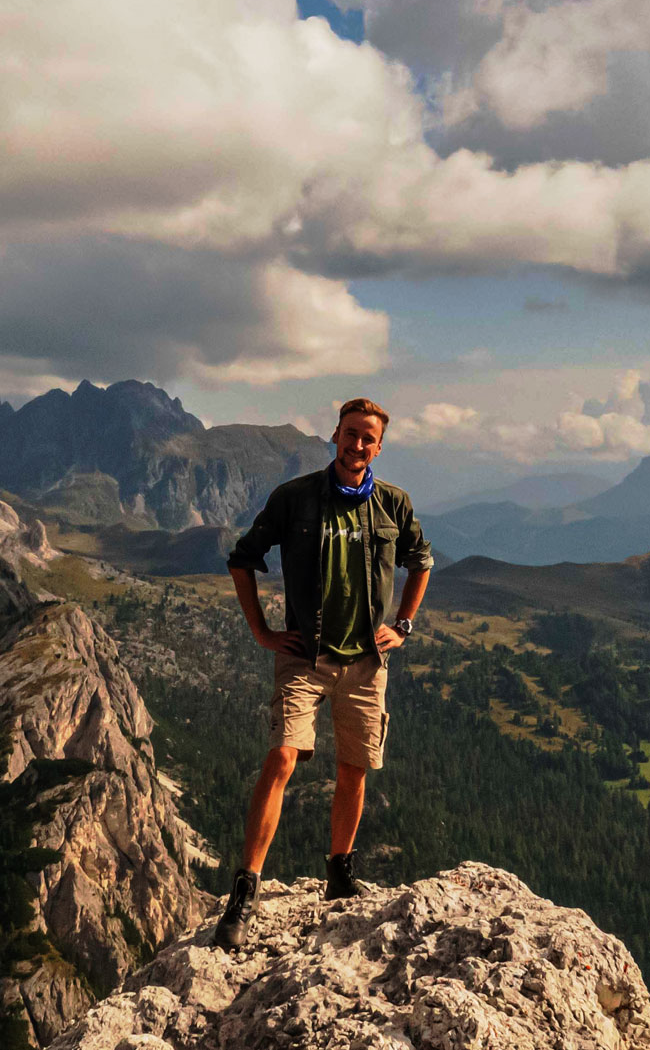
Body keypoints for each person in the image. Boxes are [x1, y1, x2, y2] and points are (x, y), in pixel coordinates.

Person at [211, 396, 433, 948]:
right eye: (351, 433)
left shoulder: (392, 504)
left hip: (366, 660)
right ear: (334, 434)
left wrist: (402, 626)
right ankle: (246, 890)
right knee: (283, 756)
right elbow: (243, 558)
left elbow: (420, 561)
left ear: (379, 446)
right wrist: (261, 631)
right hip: (304, 657)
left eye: (368, 438)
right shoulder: (294, 498)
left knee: (354, 768)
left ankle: (339, 874)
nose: (358, 444)